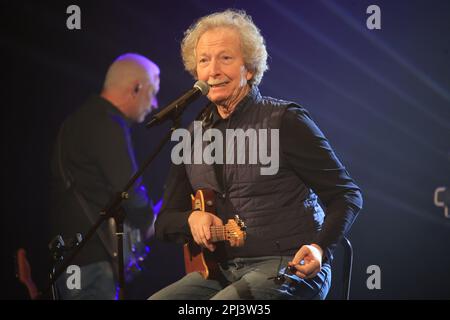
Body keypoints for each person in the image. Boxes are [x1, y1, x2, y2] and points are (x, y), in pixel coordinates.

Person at [149, 10, 363, 300]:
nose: (213, 70)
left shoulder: (285, 120)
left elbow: (346, 195)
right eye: (204, 60)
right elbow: (164, 222)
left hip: (288, 263)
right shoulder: (191, 134)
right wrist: (191, 220)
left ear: (248, 69)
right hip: (220, 272)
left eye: (225, 58)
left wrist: (319, 247)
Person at [49, 53, 160, 299]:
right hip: (94, 265)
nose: (154, 105)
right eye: (152, 93)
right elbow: (128, 190)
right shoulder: (108, 122)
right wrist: (148, 220)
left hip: (72, 261)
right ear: (136, 88)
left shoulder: (76, 120)